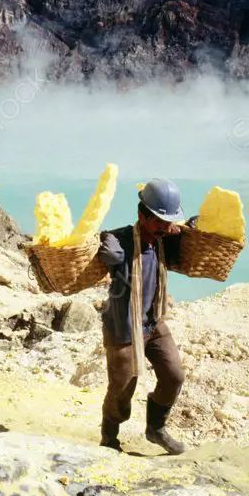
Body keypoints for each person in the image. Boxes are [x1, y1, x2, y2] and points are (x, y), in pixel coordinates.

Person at [96, 178, 194, 455]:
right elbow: (107, 247)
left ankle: (155, 429)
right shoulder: (122, 240)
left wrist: (193, 227)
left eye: (168, 222)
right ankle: (110, 439)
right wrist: (107, 243)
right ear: (142, 214)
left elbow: (189, 240)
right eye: (160, 222)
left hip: (153, 323)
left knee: (174, 375)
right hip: (123, 329)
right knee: (122, 390)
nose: (165, 228)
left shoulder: (164, 242)